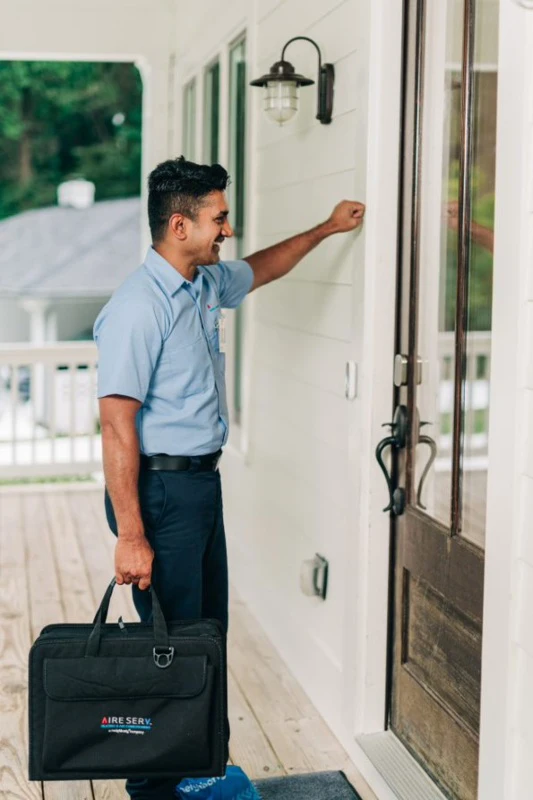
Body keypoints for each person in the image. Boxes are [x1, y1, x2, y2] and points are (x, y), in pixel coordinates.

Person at [94, 156, 365, 800]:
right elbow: (115, 428)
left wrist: (326, 229)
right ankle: (161, 786)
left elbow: (265, 266)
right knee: (176, 645)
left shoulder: (201, 284)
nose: (228, 230)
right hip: (159, 494)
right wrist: (131, 533)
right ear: (180, 224)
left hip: (197, 488)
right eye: (219, 218)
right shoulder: (139, 306)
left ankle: (198, 765)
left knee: (202, 636)